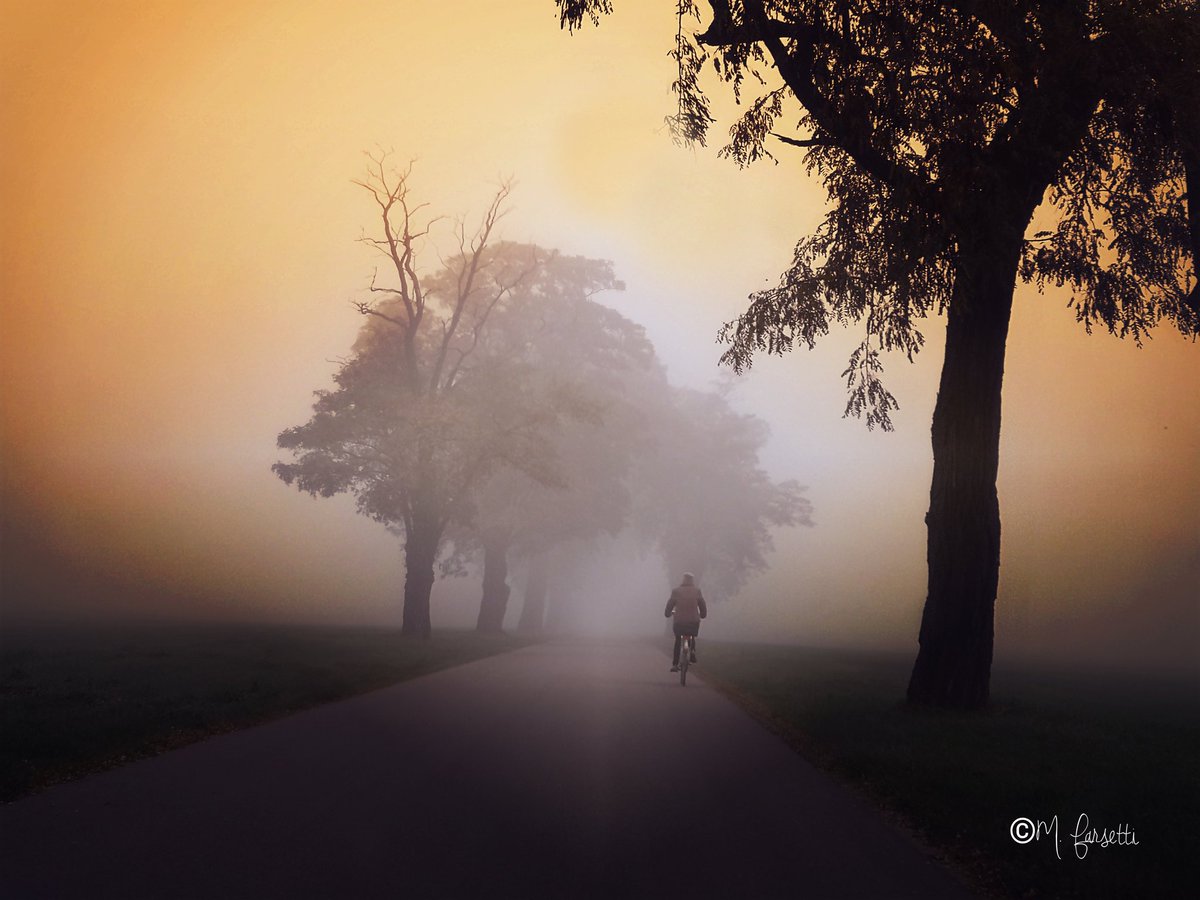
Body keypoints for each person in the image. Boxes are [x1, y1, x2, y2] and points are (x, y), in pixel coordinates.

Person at [664, 573, 707, 672]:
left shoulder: (676, 591)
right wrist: (703, 614)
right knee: (691, 635)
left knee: (678, 640)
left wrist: (668, 613)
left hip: (679, 621)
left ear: (683, 580)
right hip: (693, 621)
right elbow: (702, 605)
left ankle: (675, 664)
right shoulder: (697, 591)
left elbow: (670, 604)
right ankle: (692, 652)